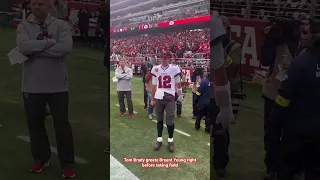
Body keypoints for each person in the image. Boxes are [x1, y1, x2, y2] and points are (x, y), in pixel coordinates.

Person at [16, 0, 75, 178]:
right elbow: (23, 47)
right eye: (34, 3)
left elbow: (66, 47)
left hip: (57, 85)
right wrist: (49, 43)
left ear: (50, 6)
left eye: (41, 3)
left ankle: (68, 164)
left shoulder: (60, 25)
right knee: (35, 125)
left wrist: (35, 50)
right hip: (32, 85)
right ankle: (41, 158)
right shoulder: (24, 26)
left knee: (62, 126)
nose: (37, 6)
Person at [268, 19, 320, 180]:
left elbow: (285, 96)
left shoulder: (301, 63)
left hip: (297, 131)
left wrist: (275, 118)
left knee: (287, 170)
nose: (302, 36)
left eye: (306, 33)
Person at [210, 11, 235, 178]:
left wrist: (225, 106)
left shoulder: (232, 47)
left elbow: (222, 71)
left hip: (215, 94)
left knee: (220, 132)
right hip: (205, 91)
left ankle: (220, 163)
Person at [150, 53, 183, 153]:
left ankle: (170, 140)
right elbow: (154, 85)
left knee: (170, 120)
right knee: (159, 119)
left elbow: (178, 83)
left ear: (169, 59)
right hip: (159, 97)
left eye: (166, 58)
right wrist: (152, 98)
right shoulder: (155, 69)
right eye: (162, 58)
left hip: (169, 97)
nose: (164, 60)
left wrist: (180, 94)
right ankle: (159, 139)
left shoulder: (174, 69)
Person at [195, 68, 210, 133]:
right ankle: (208, 128)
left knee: (199, 114)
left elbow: (199, 91)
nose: (204, 72)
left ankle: (197, 125)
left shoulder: (203, 81)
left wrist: (196, 98)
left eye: (205, 71)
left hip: (203, 102)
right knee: (208, 116)